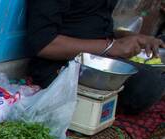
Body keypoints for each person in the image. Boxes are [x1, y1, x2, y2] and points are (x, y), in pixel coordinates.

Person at [28, 0, 164, 114]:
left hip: (98, 58)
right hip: (61, 66)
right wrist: (112, 47)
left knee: (156, 72)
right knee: (149, 83)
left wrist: (127, 38)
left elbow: (89, 27)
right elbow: (45, 45)